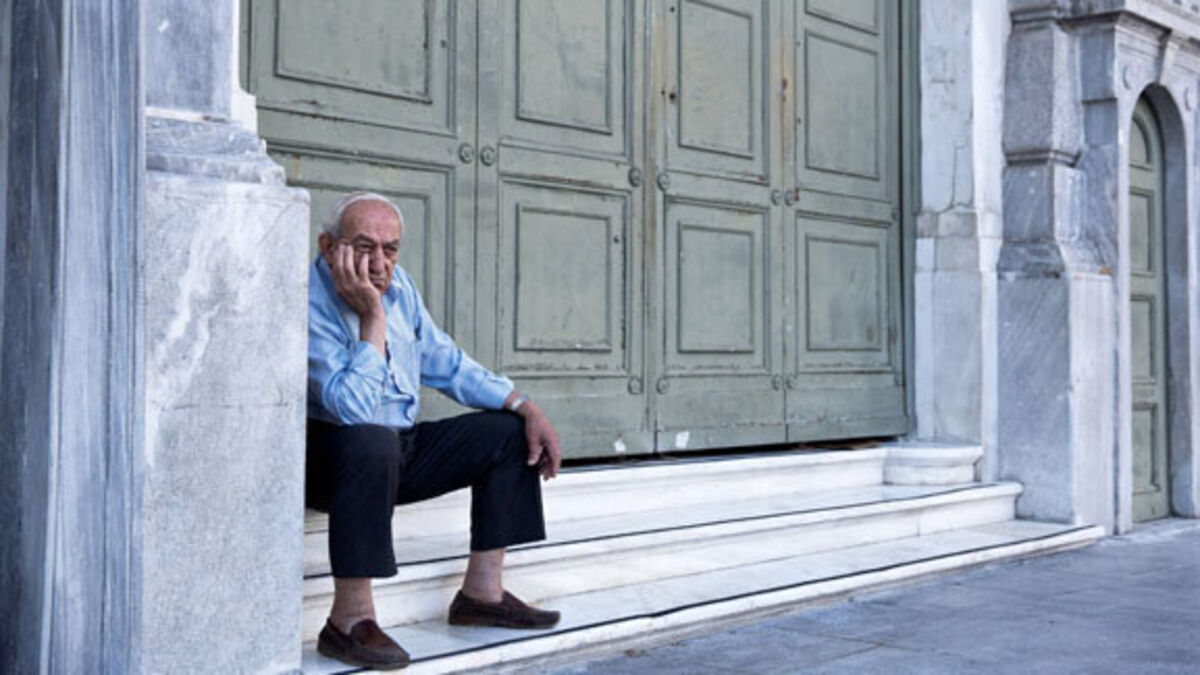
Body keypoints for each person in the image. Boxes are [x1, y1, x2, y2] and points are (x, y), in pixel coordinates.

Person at [306, 191, 563, 670]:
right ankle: (348, 621)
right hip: (332, 459)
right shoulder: (306, 299)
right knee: (371, 438)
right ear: (328, 247)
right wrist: (372, 317)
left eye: (390, 249)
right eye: (363, 247)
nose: (378, 264)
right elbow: (353, 409)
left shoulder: (400, 287)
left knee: (509, 432)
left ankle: (481, 595)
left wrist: (523, 404)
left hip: (393, 450)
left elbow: (445, 361)